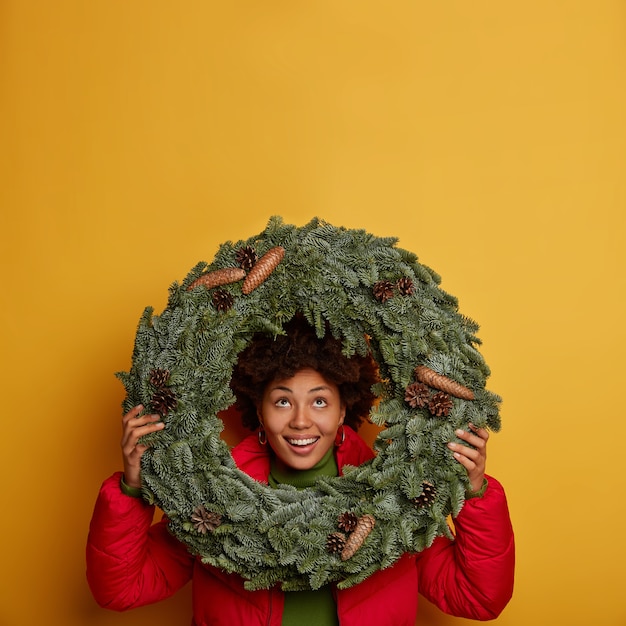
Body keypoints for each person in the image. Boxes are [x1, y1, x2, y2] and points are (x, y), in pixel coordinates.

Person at [87, 316, 515, 626]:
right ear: (258, 408)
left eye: (320, 401)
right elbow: (120, 588)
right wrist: (133, 487)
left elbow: (478, 598)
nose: (301, 421)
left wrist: (473, 494)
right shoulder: (210, 503)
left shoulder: (393, 501)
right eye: (282, 401)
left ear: (345, 407)